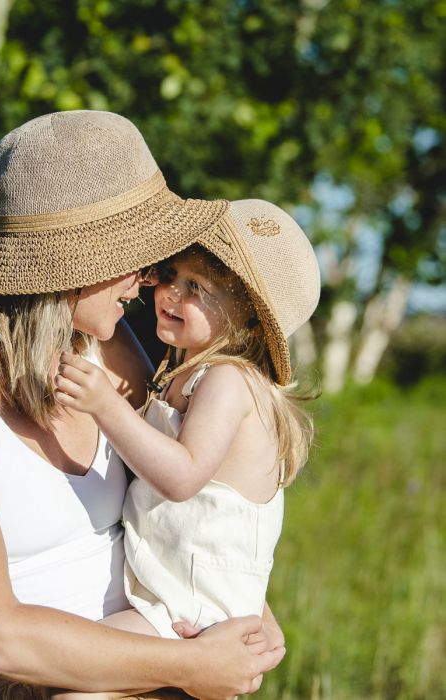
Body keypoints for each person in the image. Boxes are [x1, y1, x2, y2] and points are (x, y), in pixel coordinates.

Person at [0, 110, 286, 700]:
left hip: (175, 651)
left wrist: (235, 601)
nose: (145, 280)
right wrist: (189, 668)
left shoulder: (104, 344)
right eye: (132, 254)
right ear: (66, 267)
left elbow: (185, 483)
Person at [54, 200, 320, 699]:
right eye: (173, 274)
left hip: (192, 613)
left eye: (197, 288)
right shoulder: (180, 374)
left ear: (245, 312)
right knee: (67, 674)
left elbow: (182, 479)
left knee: (72, 684)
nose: (170, 292)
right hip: (172, 598)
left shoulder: (228, 381)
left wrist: (104, 407)